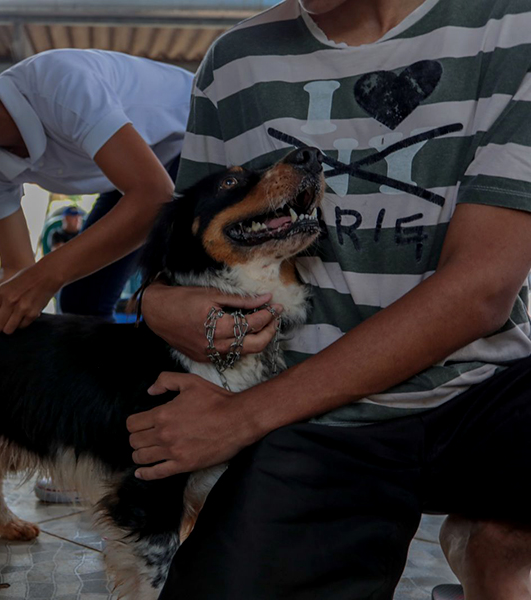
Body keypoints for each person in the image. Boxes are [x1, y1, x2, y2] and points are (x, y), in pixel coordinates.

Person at [126, 0, 531, 598]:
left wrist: (241, 417)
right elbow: (192, 240)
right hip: (316, 419)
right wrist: (154, 301)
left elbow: (481, 288)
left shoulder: (513, 26)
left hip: (486, 396)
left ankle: (493, 540)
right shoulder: (234, 61)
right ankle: (487, 534)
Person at [0, 0, 282, 503]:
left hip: (194, 147)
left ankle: (223, 436)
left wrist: (44, 278)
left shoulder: (58, 84)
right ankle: (106, 449)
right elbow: (16, 270)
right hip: (133, 177)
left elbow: (151, 196)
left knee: (176, 291)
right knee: (83, 301)